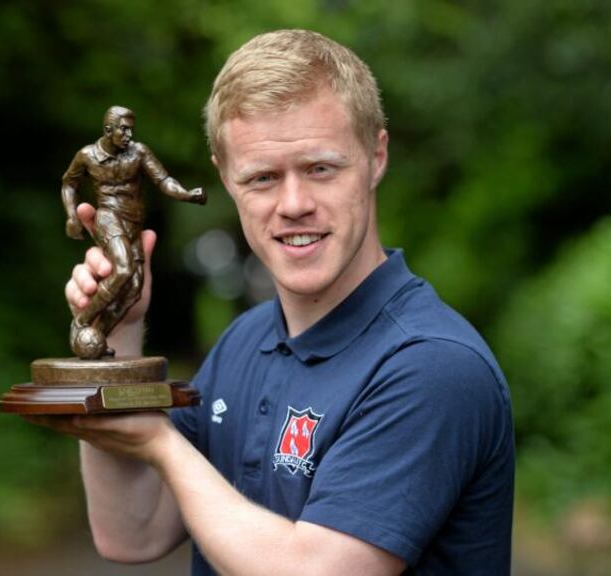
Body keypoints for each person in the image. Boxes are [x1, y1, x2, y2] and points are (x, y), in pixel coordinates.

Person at [29, 29, 514, 575]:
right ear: (225, 179)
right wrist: (117, 329)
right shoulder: (245, 340)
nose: (294, 204)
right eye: (262, 178)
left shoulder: (431, 366)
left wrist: (164, 446)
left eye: (320, 168)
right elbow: (132, 533)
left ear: (376, 156)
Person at [61, 105, 206, 358]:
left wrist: (186, 194)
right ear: (108, 130)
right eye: (124, 130)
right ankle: (82, 321)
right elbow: (69, 183)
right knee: (124, 269)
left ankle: (98, 336)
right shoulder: (88, 155)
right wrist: (72, 215)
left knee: (134, 289)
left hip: (132, 224)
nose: (129, 135)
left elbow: (163, 180)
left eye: (131, 129)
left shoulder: (138, 153)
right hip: (108, 218)